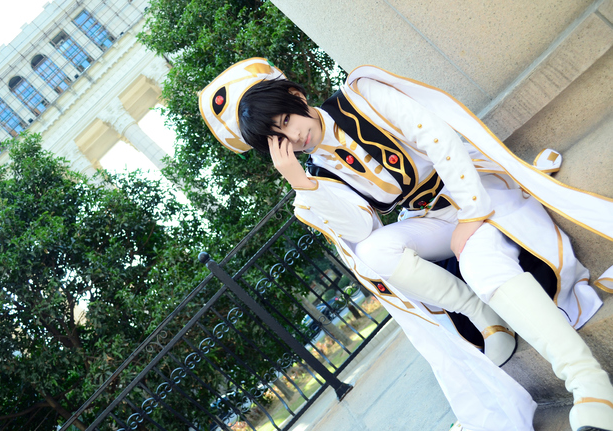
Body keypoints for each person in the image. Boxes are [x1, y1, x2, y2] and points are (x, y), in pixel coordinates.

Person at [199, 57, 613, 431]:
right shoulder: (318, 172)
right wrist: (301, 183)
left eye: (287, 121)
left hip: (476, 192)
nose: (294, 137)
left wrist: (470, 214)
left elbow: (439, 139)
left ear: (296, 95)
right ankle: (480, 312)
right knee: (373, 253)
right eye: (280, 140)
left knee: (479, 263)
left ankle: (590, 386)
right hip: (429, 219)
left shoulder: (362, 97)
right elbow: (361, 229)